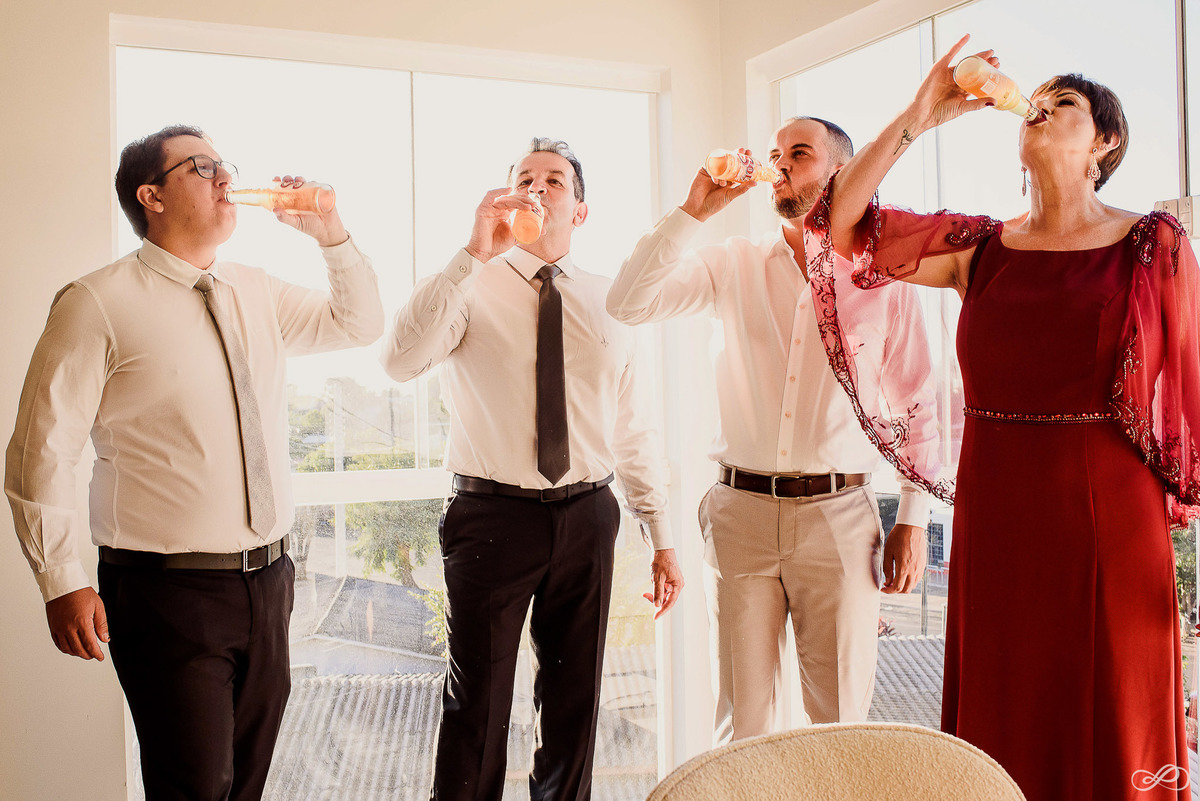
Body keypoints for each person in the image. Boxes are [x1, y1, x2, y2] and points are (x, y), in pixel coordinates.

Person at [810, 34, 1195, 801]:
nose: (1042, 107)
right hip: (1000, 521)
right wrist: (924, 110)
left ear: (1106, 141)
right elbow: (844, 223)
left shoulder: (1153, 244)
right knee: (1004, 718)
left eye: (1069, 104)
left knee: (1109, 714)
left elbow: (1188, 392)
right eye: (1038, 100)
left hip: (1110, 523)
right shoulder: (979, 248)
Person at [5, 125, 384, 801]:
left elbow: (359, 322)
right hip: (165, 593)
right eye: (199, 165)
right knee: (196, 788)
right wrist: (60, 577)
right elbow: (43, 448)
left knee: (246, 784)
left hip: (270, 581)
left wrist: (331, 233)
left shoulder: (256, 290)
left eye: (223, 164)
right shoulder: (97, 302)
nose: (223, 177)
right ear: (150, 195)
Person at [607, 117, 940, 744]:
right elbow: (628, 302)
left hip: (841, 521)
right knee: (744, 727)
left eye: (799, 153)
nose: (779, 164)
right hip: (739, 518)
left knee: (839, 725)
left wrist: (914, 519)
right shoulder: (731, 263)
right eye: (774, 154)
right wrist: (692, 211)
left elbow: (917, 402)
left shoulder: (884, 276)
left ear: (841, 171)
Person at [380, 137, 683, 801]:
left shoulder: (614, 301)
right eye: (526, 178)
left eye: (555, 180)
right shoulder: (469, 283)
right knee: (478, 706)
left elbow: (632, 427)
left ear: (580, 211)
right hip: (490, 517)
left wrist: (661, 535)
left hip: (588, 514)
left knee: (575, 705)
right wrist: (470, 253)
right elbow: (399, 361)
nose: (539, 189)